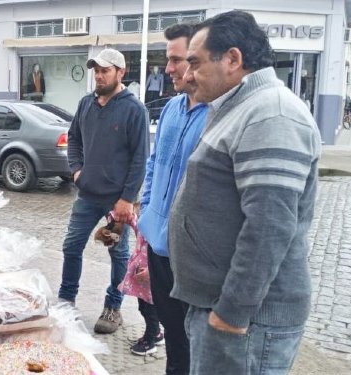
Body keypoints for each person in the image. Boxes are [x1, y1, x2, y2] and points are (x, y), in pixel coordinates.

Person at [169, 11, 321, 374]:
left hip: (245, 323)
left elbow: (269, 227)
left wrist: (232, 312)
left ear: (233, 59)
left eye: (195, 63)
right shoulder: (239, 108)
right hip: (222, 311)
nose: (188, 76)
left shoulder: (272, 115)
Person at [59, 48, 149, 334]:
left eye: (105, 70)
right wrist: (76, 170)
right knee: (71, 246)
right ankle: (66, 301)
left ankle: (113, 307)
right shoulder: (86, 104)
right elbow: (73, 138)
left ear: (121, 72)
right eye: (96, 70)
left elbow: (140, 158)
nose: (98, 75)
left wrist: (126, 199)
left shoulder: (134, 109)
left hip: (117, 202)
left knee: (118, 255)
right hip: (87, 195)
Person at [137, 23, 207, 373]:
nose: (168, 69)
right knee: (175, 340)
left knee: (194, 343)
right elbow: (154, 164)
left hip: (190, 254)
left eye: (176, 60)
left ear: (197, 61)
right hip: (158, 246)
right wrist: (146, 211)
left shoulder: (218, 116)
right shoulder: (171, 109)